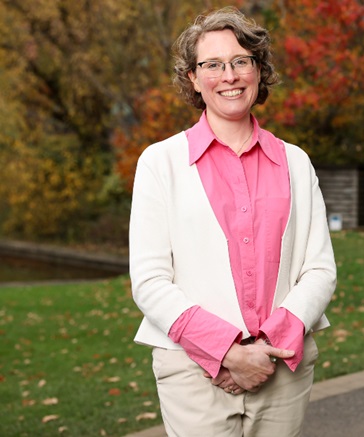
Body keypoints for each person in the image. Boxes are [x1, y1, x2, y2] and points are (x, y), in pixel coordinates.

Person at [129, 6, 337, 436]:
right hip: (192, 371)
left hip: (281, 367)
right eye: (213, 65)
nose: (229, 76)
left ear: (259, 71)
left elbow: (319, 271)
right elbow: (149, 280)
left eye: (242, 61)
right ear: (193, 77)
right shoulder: (160, 163)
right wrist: (225, 351)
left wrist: (262, 351)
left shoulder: (295, 162)